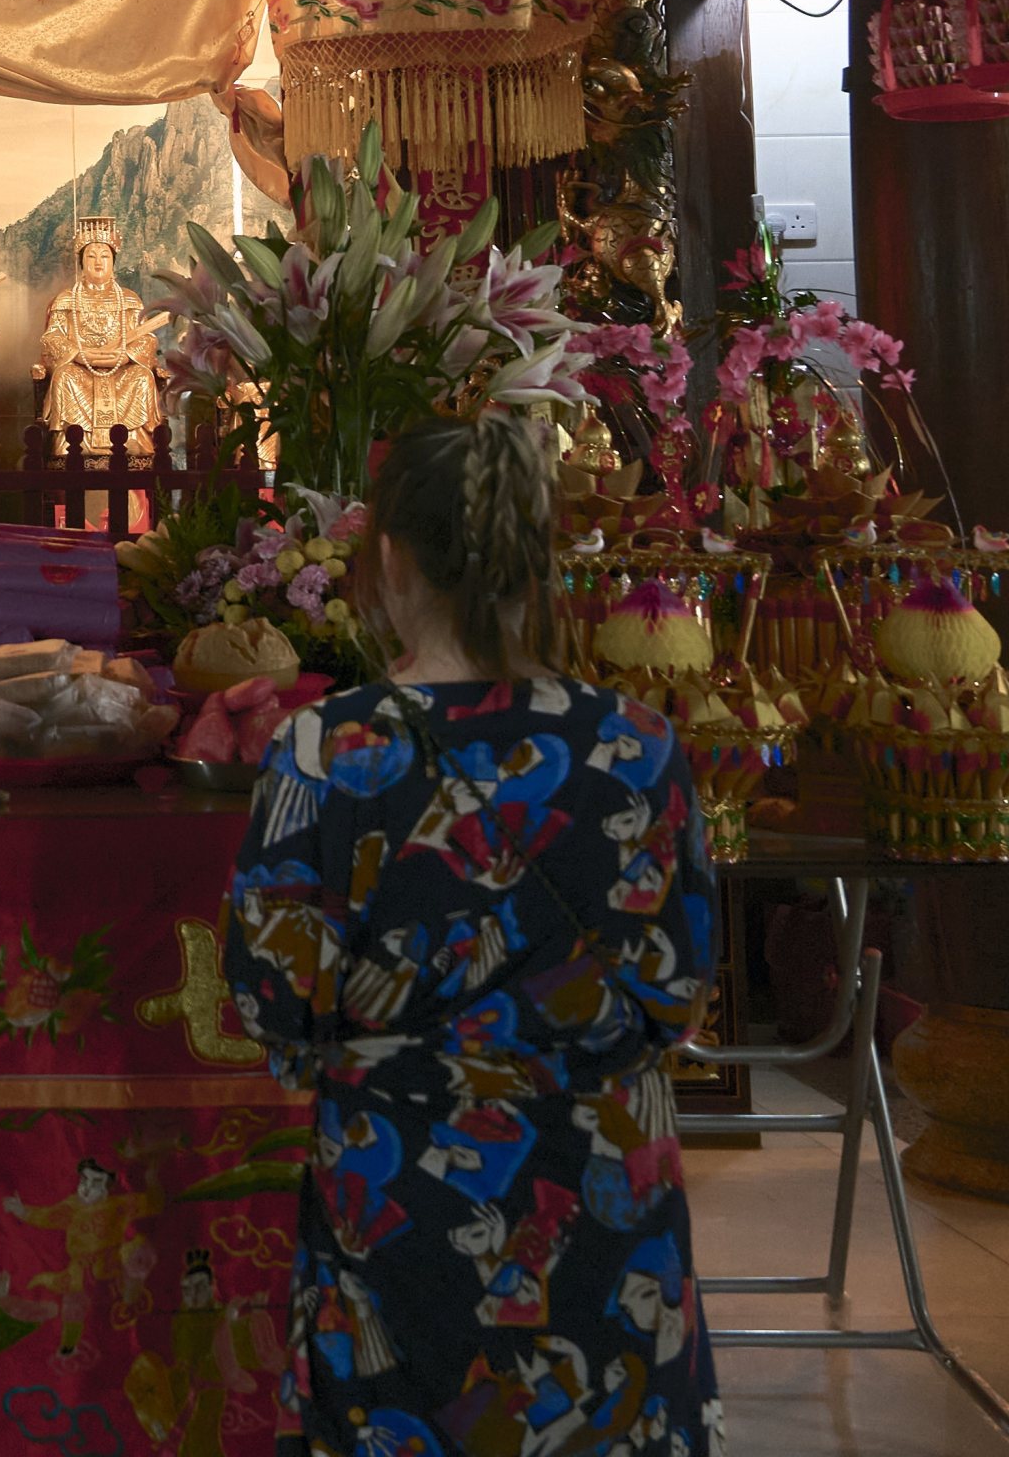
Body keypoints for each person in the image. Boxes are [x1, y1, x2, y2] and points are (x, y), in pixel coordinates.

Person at [220, 406, 722, 1456]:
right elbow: (677, 988)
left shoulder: (328, 747)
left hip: (397, 1179)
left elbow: (272, 998)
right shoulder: (636, 744)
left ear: (388, 558)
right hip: (600, 1177)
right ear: (531, 558)